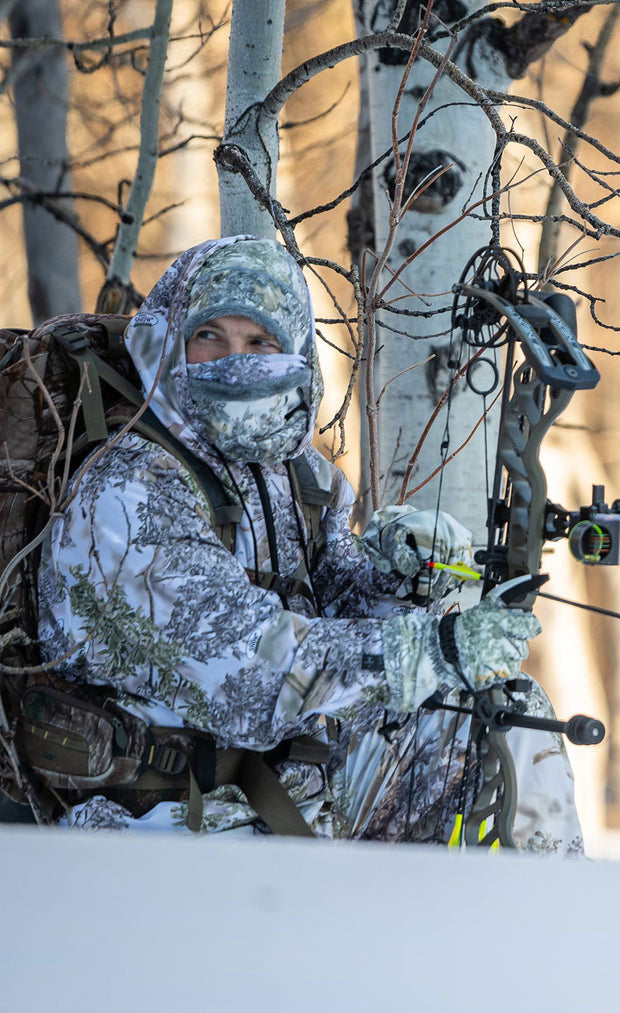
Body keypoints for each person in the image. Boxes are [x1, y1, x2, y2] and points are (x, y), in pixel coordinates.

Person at [33, 236, 582, 854]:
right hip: (164, 819)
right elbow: (247, 672)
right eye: (209, 335)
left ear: (294, 350)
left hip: (283, 781)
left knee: (503, 711)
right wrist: (431, 649)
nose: (235, 362)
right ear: (168, 343)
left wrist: (395, 577)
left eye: (260, 342)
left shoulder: (292, 473)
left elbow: (330, 598)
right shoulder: (129, 490)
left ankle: (539, 937)